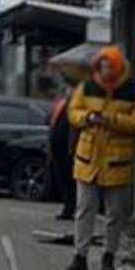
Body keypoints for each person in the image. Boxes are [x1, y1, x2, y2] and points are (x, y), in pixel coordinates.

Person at [66, 47, 135, 270]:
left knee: (115, 214)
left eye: (110, 67)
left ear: (119, 68)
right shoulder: (88, 86)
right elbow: (73, 112)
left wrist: (112, 120)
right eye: (103, 66)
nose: (106, 71)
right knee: (84, 209)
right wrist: (87, 117)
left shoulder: (134, 91)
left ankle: (108, 257)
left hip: (116, 161)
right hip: (88, 159)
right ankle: (80, 257)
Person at [50, 75, 82, 223]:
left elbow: (75, 127)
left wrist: (72, 148)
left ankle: (73, 209)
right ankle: (68, 208)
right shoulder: (62, 103)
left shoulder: (78, 105)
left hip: (70, 149)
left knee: (72, 180)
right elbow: (53, 122)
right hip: (58, 148)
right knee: (63, 178)